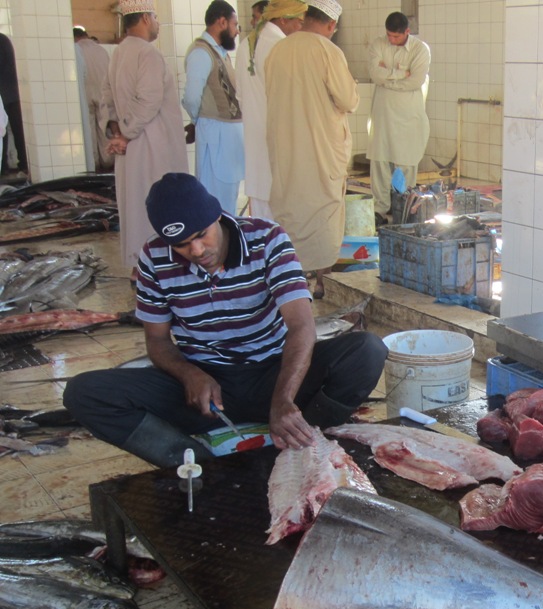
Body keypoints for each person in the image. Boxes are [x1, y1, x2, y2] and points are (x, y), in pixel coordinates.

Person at [63, 173, 388, 468]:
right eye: (181, 245)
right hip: (205, 391)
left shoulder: (267, 239)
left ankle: (304, 437)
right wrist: (189, 374)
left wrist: (283, 400)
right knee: (84, 393)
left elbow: (301, 326)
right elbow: (158, 341)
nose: (197, 249)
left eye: (202, 235)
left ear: (217, 215)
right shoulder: (154, 257)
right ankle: (195, 464)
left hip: (273, 374)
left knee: (367, 351)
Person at [265, 0, 358, 300]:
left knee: (291, 209)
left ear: (305, 17)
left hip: (287, 148)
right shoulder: (328, 50)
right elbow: (348, 99)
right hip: (320, 149)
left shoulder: (278, 50)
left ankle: (292, 281)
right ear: (331, 25)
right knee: (323, 212)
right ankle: (323, 281)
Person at [99, 1, 188, 274]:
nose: (158, 24)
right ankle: (157, 270)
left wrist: (117, 132)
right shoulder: (147, 54)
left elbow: (106, 102)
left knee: (135, 207)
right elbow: (149, 100)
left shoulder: (118, 53)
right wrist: (125, 135)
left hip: (131, 146)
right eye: (157, 18)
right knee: (157, 205)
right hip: (152, 145)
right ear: (147, 19)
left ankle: (141, 269)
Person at [235, 0, 306, 219]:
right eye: (299, 23)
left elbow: (240, 97)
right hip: (279, 146)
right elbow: (292, 101)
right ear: (284, 19)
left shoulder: (246, 44)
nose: (301, 29)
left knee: (261, 225)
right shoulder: (283, 46)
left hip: (255, 146)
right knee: (283, 228)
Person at [367, 11, 430, 227]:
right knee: (380, 161)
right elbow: (374, 74)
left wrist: (389, 77)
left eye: (396, 37)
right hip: (383, 113)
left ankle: (404, 208)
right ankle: (379, 210)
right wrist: (402, 73)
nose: (392, 41)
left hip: (408, 115)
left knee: (405, 162)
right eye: (389, 36)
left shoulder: (420, 50)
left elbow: (416, 81)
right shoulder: (378, 44)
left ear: (407, 32)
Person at [182, 1, 245, 215]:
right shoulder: (201, 53)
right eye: (235, 25)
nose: (237, 31)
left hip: (228, 140)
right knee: (216, 203)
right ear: (221, 22)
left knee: (229, 199)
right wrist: (197, 120)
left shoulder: (220, 52)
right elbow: (191, 97)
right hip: (215, 135)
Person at [74, 26, 114, 172]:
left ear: (76, 38)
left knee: (89, 130)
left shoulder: (77, 50)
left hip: (86, 93)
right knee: (104, 127)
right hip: (103, 93)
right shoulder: (100, 49)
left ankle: (93, 165)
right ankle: (108, 162)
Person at [0, 32, 27, 175]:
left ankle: (3, 166)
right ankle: (23, 163)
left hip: (5, 94)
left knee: (3, 132)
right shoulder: (5, 39)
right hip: (13, 93)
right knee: (18, 131)